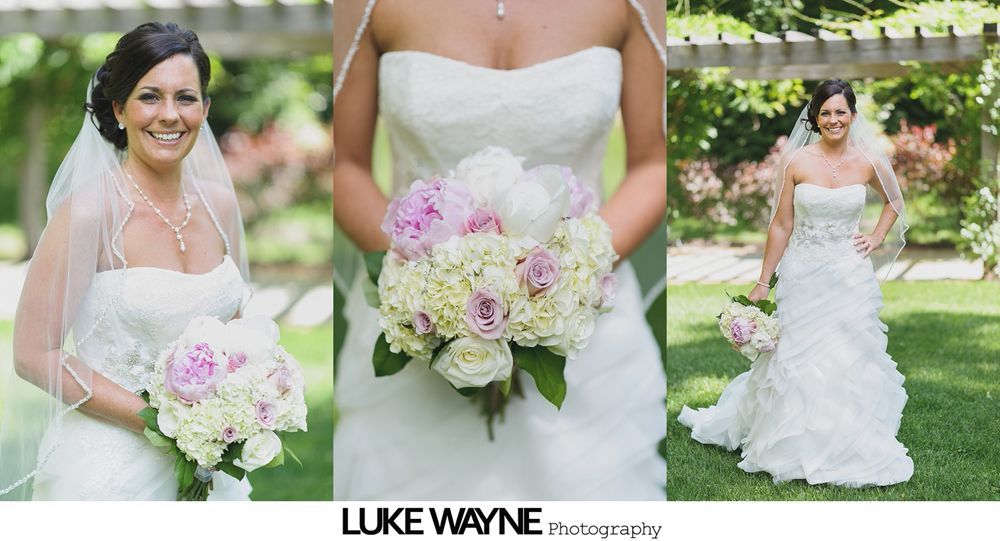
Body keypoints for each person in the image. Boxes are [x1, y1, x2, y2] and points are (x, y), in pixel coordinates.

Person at [333, 0, 667, 499]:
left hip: (587, 332)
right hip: (414, 326)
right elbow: (344, 163)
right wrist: (432, 291)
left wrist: (565, 280)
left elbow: (653, 162)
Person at [0, 22, 252, 500]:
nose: (169, 115)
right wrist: (169, 424)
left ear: (205, 108)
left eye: (186, 98)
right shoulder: (90, 213)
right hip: (109, 474)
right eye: (150, 97)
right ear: (119, 109)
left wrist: (243, 406)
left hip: (211, 467)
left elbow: (238, 333)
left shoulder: (219, 204)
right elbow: (35, 355)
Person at [678, 79, 914, 488]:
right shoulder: (798, 161)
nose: (834, 119)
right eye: (825, 112)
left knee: (849, 356)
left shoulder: (866, 161)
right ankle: (788, 440)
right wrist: (762, 282)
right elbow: (782, 224)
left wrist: (875, 236)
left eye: (841, 111)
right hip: (804, 273)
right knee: (796, 358)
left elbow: (894, 202)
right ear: (815, 117)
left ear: (853, 116)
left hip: (849, 275)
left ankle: (847, 436)